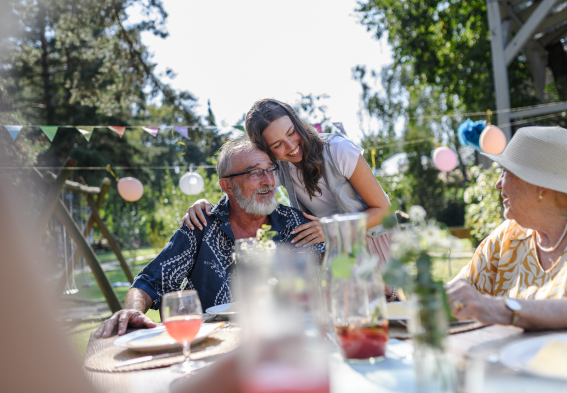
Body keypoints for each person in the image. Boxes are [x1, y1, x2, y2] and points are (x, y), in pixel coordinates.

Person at [94, 139, 324, 338]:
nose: (268, 181)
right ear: (227, 186)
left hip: (282, 340)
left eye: (270, 170)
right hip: (210, 345)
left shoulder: (296, 224)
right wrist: (132, 309)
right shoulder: (201, 224)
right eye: (254, 172)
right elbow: (151, 282)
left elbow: (340, 266)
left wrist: (333, 236)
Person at [181, 99, 394, 296]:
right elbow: (242, 187)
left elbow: (383, 210)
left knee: (390, 320)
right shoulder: (279, 166)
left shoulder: (339, 150)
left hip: (373, 242)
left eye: (292, 133)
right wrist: (204, 204)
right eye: (277, 145)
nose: (291, 146)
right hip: (335, 252)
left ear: (297, 123)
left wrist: (331, 228)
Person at [447, 126, 567, 330]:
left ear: (540, 185)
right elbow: (459, 291)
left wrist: (501, 308)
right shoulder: (509, 235)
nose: (498, 184)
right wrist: (397, 292)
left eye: (506, 172)